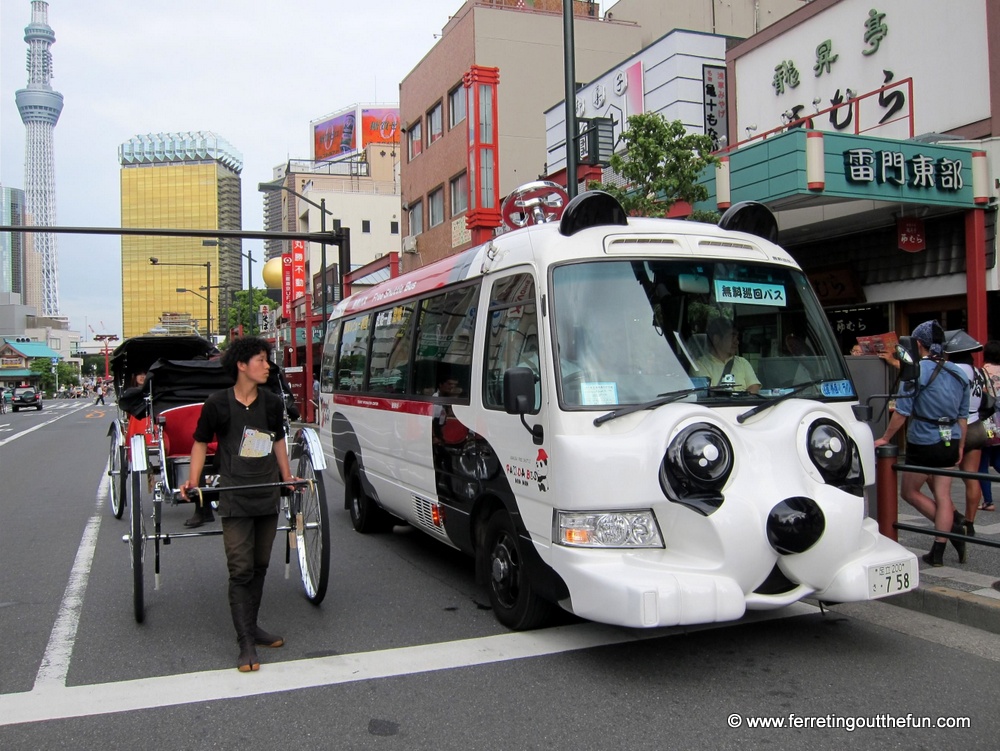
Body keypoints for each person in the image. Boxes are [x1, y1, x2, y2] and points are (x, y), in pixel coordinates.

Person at [180, 337, 298, 672]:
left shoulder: (272, 403)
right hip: (234, 496)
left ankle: (253, 627)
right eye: (260, 360)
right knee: (240, 568)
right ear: (241, 365)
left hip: (266, 493)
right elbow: (201, 443)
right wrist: (193, 480)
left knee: (260, 565)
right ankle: (245, 641)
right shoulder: (217, 403)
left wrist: (287, 477)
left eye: (266, 360)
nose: (267, 366)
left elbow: (278, 440)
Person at [874, 320, 970, 567]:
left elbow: (902, 411)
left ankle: (950, 532)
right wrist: (960, 446)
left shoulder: (915, 370)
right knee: (944, 495)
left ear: (918, 344)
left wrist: (885, 438)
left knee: (909, 492)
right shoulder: (960, 372)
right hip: (950, 440)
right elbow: (963, 416)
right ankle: (939, 547)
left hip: (923, 440)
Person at [944, 331, 986, 537]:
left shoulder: (955, 369)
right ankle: (970, 523)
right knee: (971, 477)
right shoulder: (977, 371)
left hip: (960, 426)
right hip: (978, 425)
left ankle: (953, 514)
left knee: (936, 476)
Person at [694, 316, 761, 394]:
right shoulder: (700, 366)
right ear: (717, 339)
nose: (737, 342)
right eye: (732, 336)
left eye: (737, 337)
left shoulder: (742, 362)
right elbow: (709, 393)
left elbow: (754, 386)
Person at [978, 339, 1000, 513]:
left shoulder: (981, 373)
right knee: (998, 460)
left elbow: (981, 399)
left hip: (988, 422)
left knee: (983, 462)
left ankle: (988, 502)